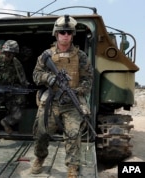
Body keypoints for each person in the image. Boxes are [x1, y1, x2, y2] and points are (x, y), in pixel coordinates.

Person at [31, 15, 93, 178]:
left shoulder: (81, 56)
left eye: (69, 32)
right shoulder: (47, 55)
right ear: (56, 34)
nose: (65, 35)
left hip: (72, 102)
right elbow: (36, 75)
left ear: (72, 35)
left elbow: (88, 79)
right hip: (51, 101)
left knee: (73, 134)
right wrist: (47, 78)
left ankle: (73, 166)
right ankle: (39, 157)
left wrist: (77, 91)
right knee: (42, 133)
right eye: (62, 32)